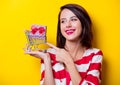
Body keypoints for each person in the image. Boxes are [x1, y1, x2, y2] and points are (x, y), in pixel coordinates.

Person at [25, 3, 103, 85]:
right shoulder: (48, 54)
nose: (68, 25)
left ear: (83, 23)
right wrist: (47, 59)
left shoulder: (95, 55)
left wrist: (68, 61)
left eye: (73, 19)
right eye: (63, 21)